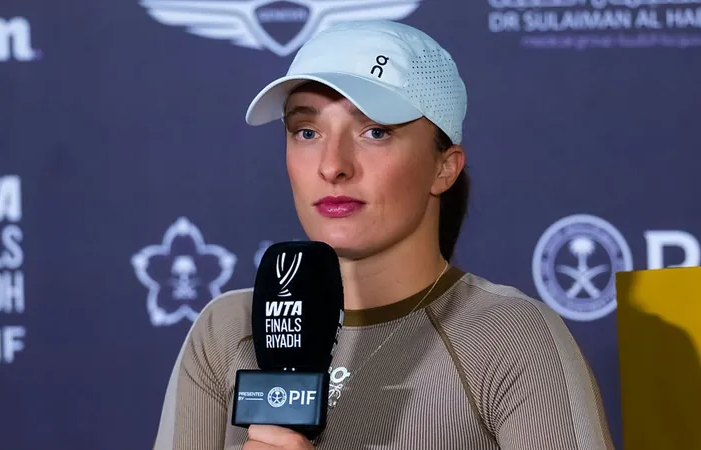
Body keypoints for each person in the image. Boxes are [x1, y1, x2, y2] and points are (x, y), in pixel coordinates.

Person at [153, 20, 614, 450]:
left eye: (375, 132)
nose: (333, 166)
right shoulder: (228, 330)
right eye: (307, 131)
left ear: (444, 167)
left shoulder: (510, 338)